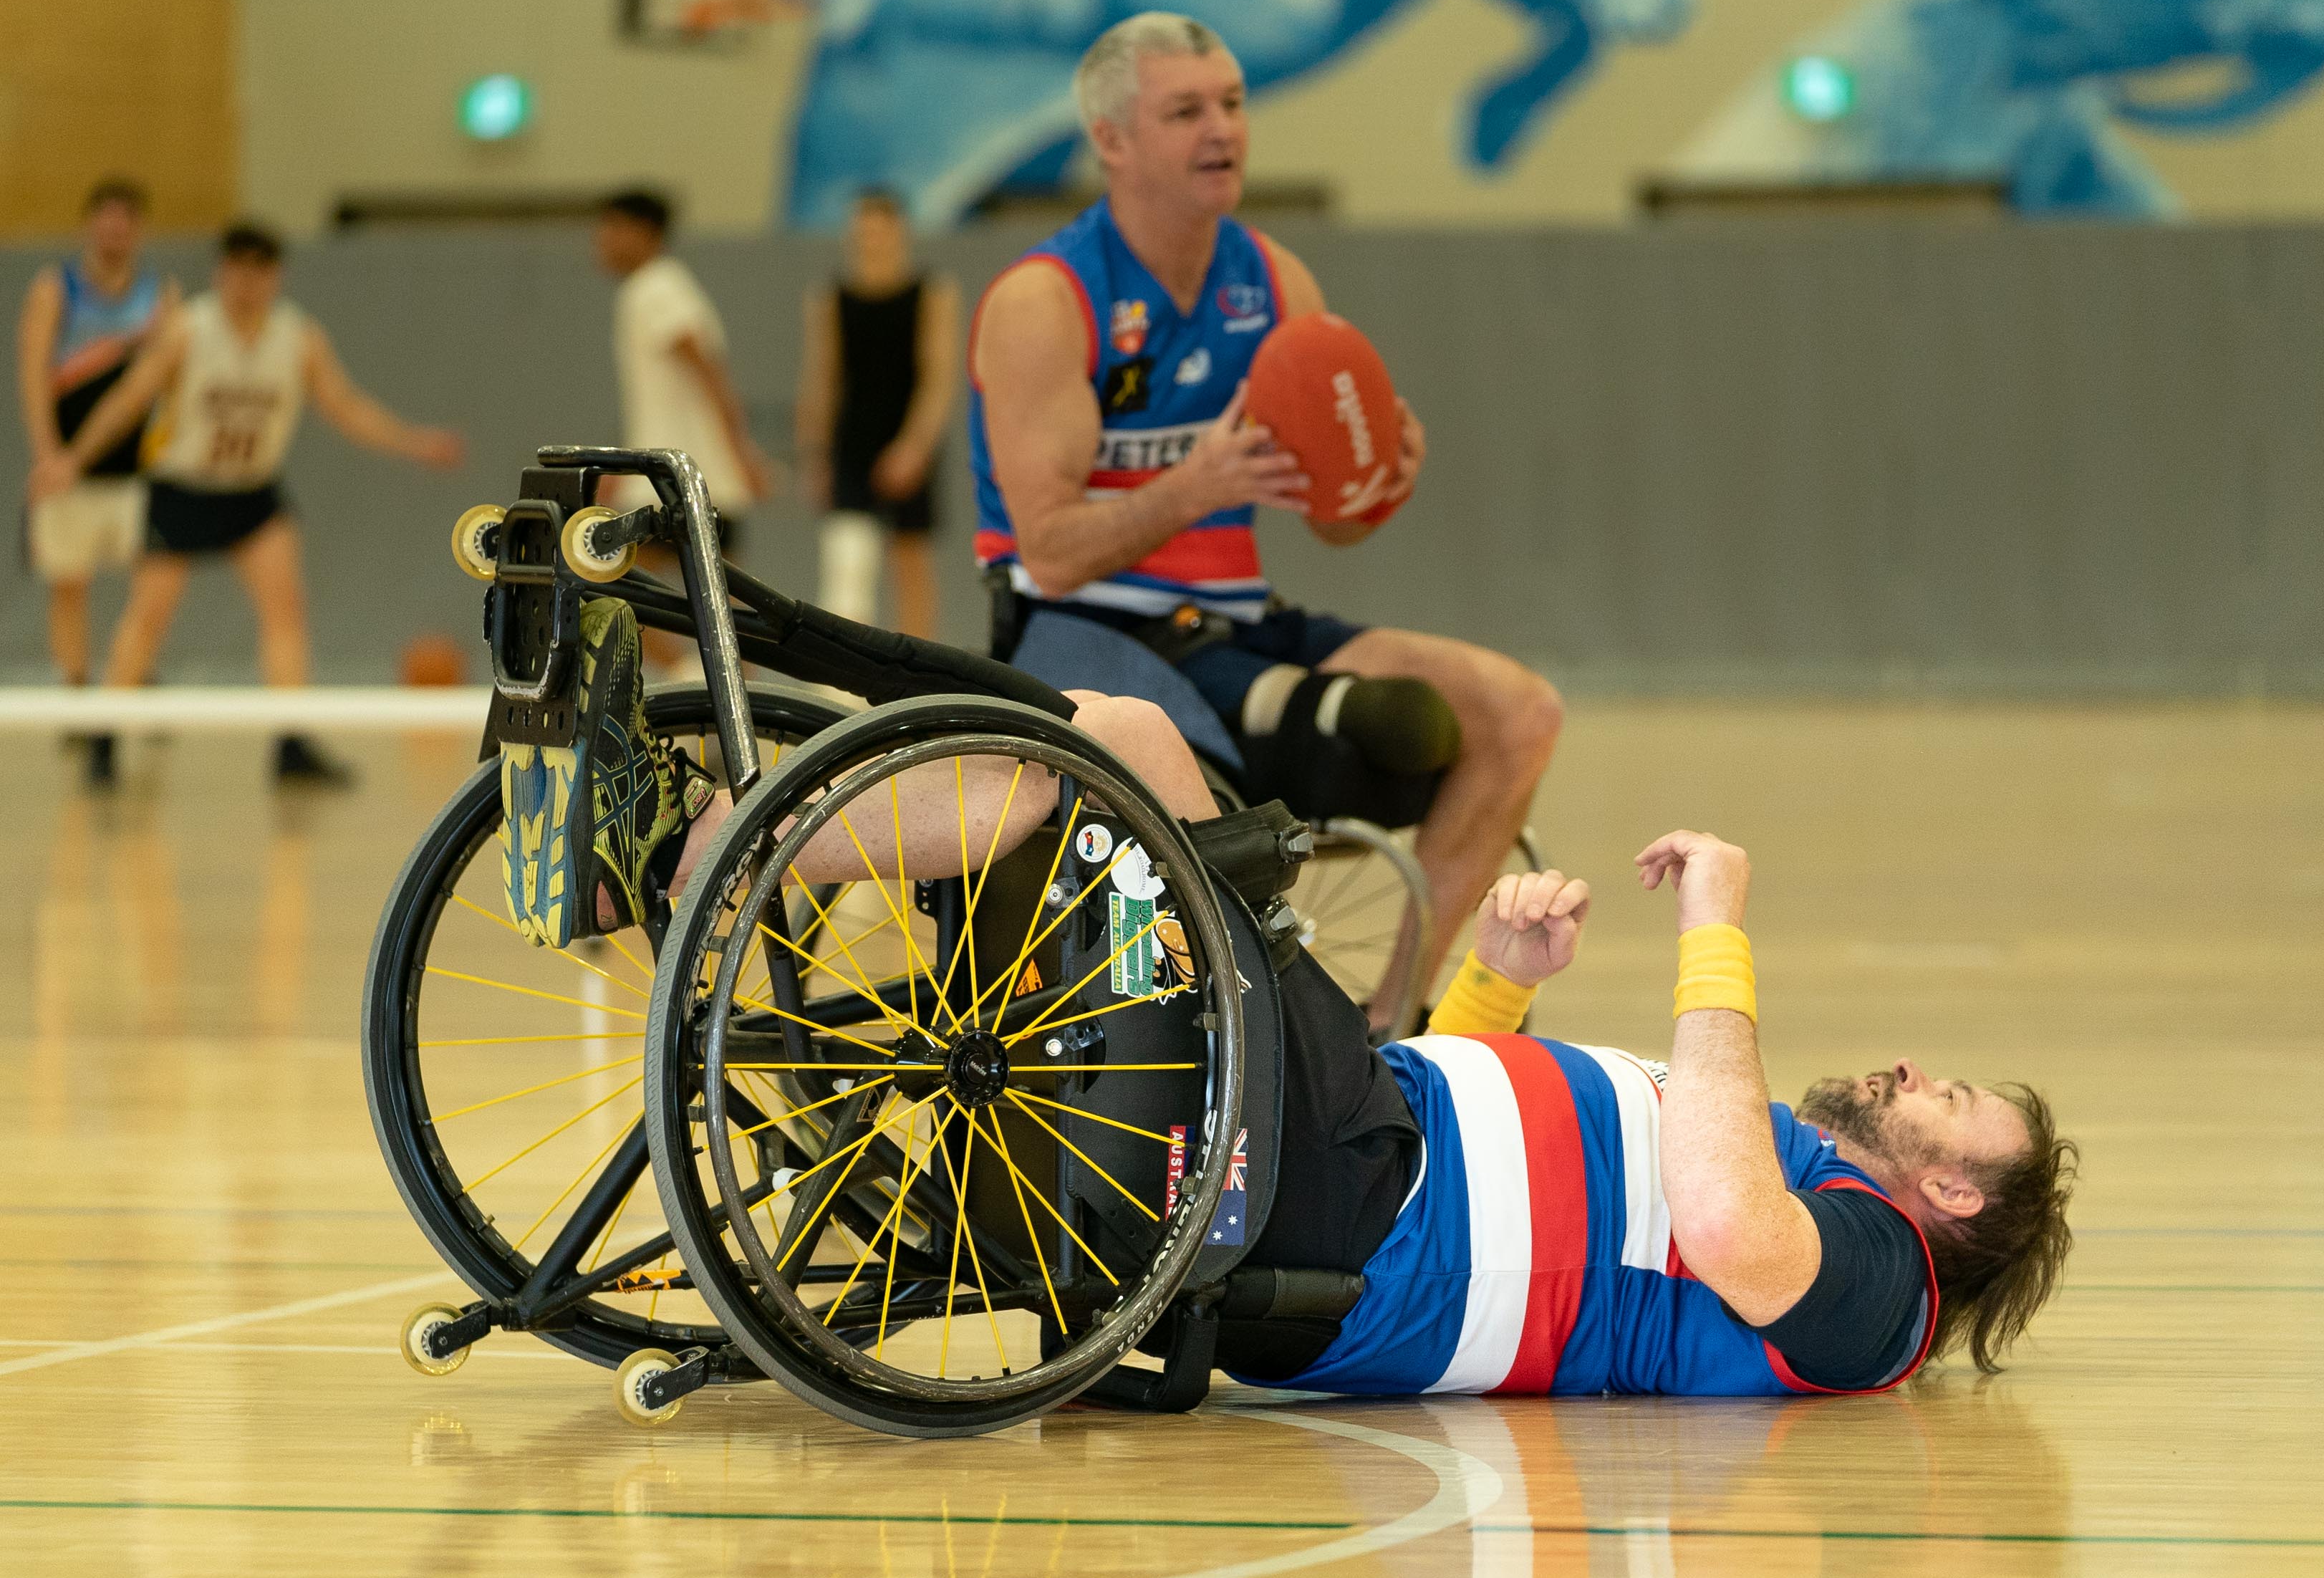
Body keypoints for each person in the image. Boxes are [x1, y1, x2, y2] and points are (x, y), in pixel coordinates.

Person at [509, 596, 2080, 1391]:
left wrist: (1717, 930)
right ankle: (739, 814)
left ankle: (709, 846)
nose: (1904, 1068)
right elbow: (1505, 1135)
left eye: (1945, 1099)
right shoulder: (1803, 1178)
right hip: (1366, 1143)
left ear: (1948, 1188)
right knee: (1121, 762)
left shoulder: (1880, 1290)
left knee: (1121, 753)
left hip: (1346, 1222)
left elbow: (1732, 1237)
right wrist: (1500, 986)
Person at [968, 13, 1564, 1026]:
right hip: (1089, 631)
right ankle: (1224, 1030)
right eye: (1186, 110)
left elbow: (1335, 526)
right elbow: (1053, 555)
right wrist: (1194, 486)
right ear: (1112, 140)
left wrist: (1373, 481)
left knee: (1517, 712)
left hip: (1235, 620)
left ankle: (1395, 1023)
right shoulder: (1047, 299)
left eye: (1234, 104)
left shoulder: (1275, 283)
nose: (1223, 130)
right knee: (1328, 741)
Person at [32, 222, 463, 786]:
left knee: (286, 608)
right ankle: (105, 738)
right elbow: (129, 399)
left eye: (259, 271)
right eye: (236, 269)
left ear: (275, 277)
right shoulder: (189, 328)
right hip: (183, 488)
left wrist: (412, 442)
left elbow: (345, 405)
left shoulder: (298, 336)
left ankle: (290, 742)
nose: (246, 283)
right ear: (220, 272)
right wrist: (73, 459)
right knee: (148, 615)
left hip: (253, 493)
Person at [16, 178, 177, 780]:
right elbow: (34, 368)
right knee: (69, 583)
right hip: (67, 471)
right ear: (90, 226)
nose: (115, 231)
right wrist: (48, 455)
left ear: (138, 229)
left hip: (137, 467)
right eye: (105, 220)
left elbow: (165, 378)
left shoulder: (159, 294)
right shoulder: (57, 288)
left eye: (125, 221)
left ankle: (132, 678)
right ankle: (79, 695)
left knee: (152, 582)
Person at [594, 189, 773, 670]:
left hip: (678, 477)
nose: (601, 241)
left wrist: (741, 449)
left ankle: (704, 678)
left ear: (643, 233)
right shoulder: (658, 287)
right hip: (684, 475)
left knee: (610, 575)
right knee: (714, 591)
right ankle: (724, 682)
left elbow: (706, 367)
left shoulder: (655, 288)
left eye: (612, 228)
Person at [794, 188, 960, 637]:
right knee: (847, 563)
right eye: (862, 233)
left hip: (906, 434)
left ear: (899, 233)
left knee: (911, 561)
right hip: (853, 437)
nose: (871, 241)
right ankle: (844, 684)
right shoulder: (832, 296)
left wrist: (915, 447)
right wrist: (816, 454)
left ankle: (919, 682)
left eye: (880, 231)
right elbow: (822, 377)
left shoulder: (932, 292)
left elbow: (938, 377)